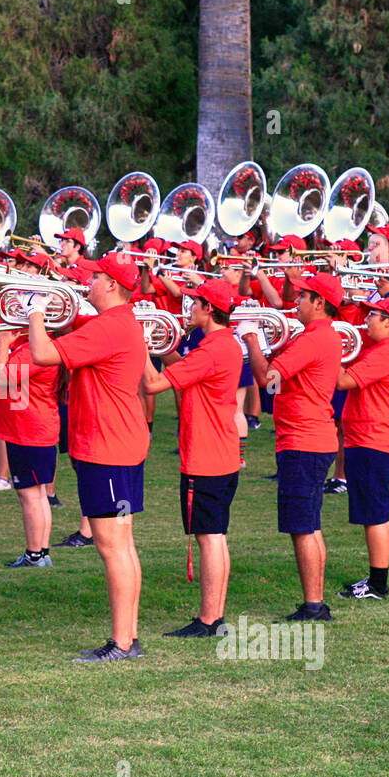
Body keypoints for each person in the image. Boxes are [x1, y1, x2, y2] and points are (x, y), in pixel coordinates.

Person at [27, 255, 149, 662]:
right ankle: (128, 636)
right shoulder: (120, 323)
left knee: (111, 547)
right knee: (124, 545)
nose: (89, 282)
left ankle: (122, 642)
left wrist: (36, 310)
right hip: (121, 444)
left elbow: (42, 354)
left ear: (111, 284)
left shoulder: (109, 327)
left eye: (95, 277)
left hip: (107, 447)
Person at [141, 280, 242, 637]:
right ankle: (215, 615)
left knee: (209, 537)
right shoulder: (222, 344)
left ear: (209, 309)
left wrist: (139, 346)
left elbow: (153, 386)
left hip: (206, 456)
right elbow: (187, 369)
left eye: (196, 302)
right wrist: (162, 346)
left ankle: (209, 619)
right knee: (216, 536)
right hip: (221, 452)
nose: (190, 308)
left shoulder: (211, 350)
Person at [241, 273, 344, 621]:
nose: (296, 302)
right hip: (309, 439)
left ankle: (314, 604)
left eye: (303, 297)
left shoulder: (314, 339)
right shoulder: (318, 336)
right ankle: (314, 602)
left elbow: (268, 381)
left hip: (304, 441)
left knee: (303, 526)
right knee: (309, 524)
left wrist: (251, 337)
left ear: (320, 303)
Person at [334, 301, 389, 600]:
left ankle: (378, 585)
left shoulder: (387, 352)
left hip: (374, 443)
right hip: (373, 442)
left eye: (373, 315)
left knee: (376, 516)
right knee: (375, 515)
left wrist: (325, 352)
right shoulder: (382, 349)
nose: (366, 320)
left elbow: (342, 381)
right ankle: (377, 581)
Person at [0, 327, 60, 568]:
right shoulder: (35, 347)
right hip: (35, 428)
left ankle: (35, 553)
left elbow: (1, 377)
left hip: (28, 430)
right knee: (39, 494)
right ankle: (41, 553)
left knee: (30, 494)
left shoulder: (34, 350)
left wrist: (3, 345)